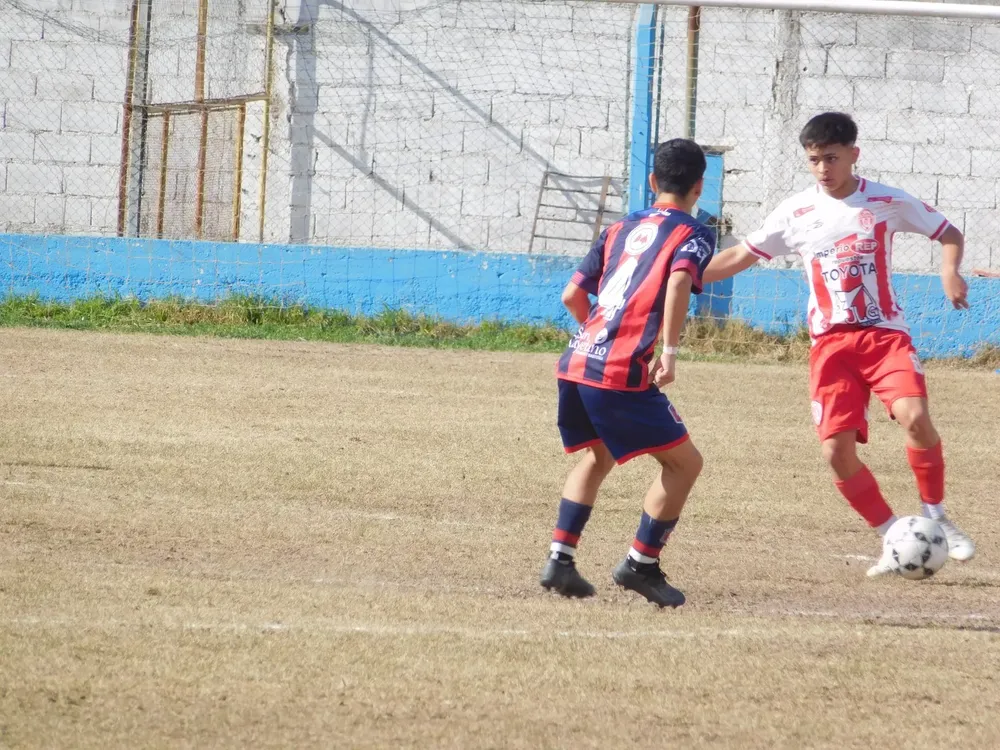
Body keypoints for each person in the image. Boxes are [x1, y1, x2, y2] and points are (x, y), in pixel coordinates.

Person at [702, 111, 975, 577]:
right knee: (835, 452)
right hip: (830, 345)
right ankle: (892, 535)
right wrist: (679, 275)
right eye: (814, 160)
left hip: (884, 336)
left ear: (853, 154)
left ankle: (936, 516)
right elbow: (738, 255)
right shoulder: (796, 212)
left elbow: (948, 232)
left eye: (831, 158)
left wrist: (950, 270)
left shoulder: (885, 200)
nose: (823, 168)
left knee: (915, 417)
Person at [539, 138, 716, 607]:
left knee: (598, 457)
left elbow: (572, 297)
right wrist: (670, 350)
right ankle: (641, 564)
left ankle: (560, 559)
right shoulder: (694, 232)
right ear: (699, 187)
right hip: (618, 370)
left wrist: (596, 337)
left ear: (653, 181)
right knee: (685, 463)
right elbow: (679, 280)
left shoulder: (620, 226)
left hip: (577, 360)